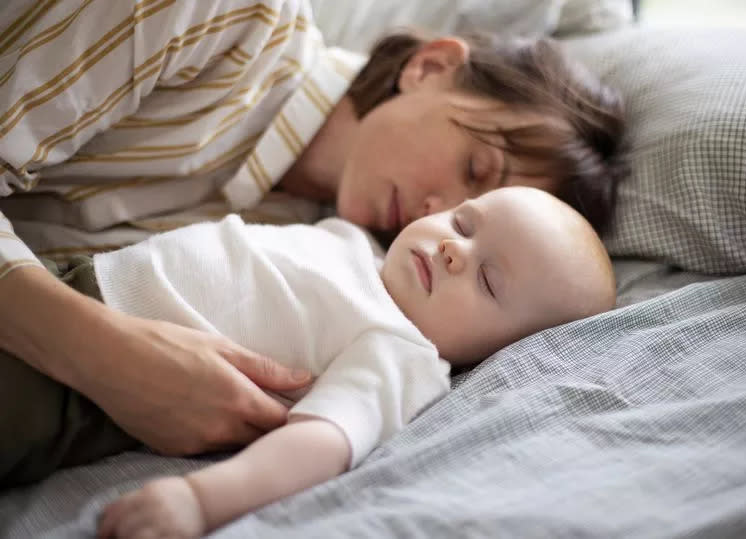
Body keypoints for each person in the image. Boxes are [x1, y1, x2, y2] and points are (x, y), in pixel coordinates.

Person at [0, 0, 626, 458]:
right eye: (475, 171)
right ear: (431, 66)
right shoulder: (219, 18)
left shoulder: (318, 269)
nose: (437, 218)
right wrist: (106, 355)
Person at [2, 185, 611, 536]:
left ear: (502, 349)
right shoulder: (356, 243)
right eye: (464, 222)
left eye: (489, 282)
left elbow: (320, 443)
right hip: (61, 288)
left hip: (72, 390)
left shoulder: (401, 352)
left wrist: (200, 502)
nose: (454, 250)